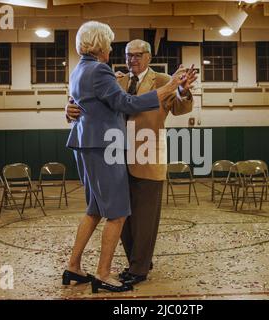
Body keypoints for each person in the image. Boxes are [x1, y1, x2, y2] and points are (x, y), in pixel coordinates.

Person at [63, 21, 188, 293]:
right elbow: (123, 103)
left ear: (148, 57)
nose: (115, 50)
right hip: (107, 149)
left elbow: (181, 106)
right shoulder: (106, 72)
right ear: (98, 45)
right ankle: (104, 274)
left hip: (136, 153)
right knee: (119, 215)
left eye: (137, 54)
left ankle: (81, 265)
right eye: (112, 45)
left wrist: (177, 87)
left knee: (101, 211)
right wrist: (69, 108)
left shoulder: (80, 69)